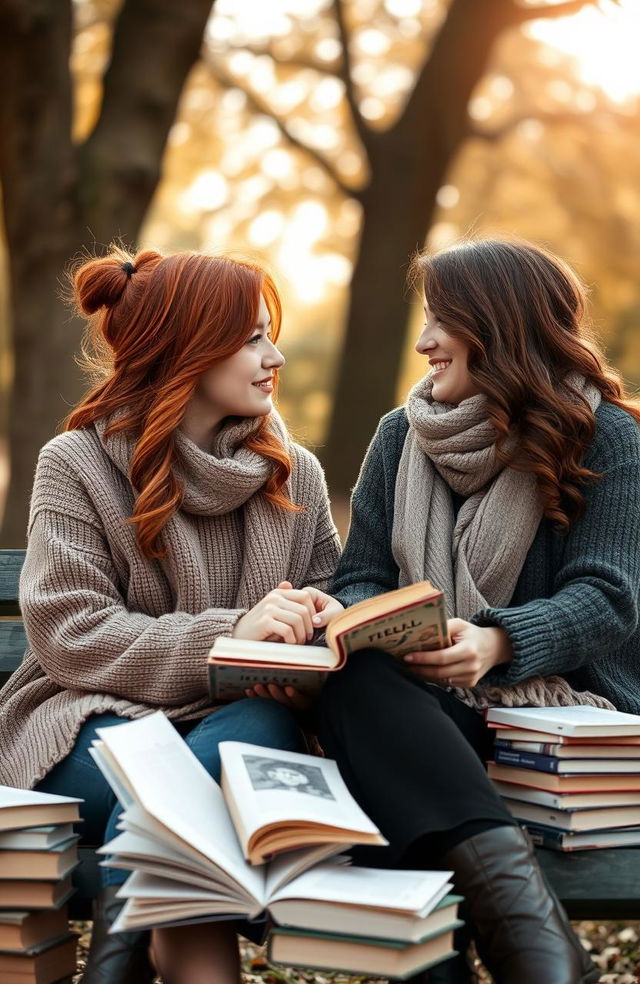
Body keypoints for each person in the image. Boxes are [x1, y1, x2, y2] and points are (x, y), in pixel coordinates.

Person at [0, 248, 343, 984]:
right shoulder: (77, 463)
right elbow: (70, 633)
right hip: (90, 727)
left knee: (239, 745)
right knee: (197, 789)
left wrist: (320, 627)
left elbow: (326, 606)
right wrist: (228, 636)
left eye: (268, 334)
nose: (274, 355)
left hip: (240, 722)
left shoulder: (298, 474)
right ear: (187, 347)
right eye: (252, 338)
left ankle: (116, 963)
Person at [318, 238, 640, 984]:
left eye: (442, 321)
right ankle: (543, 960)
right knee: (357, 683)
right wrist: (390, 627)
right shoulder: (401, 436)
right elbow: (360, 577)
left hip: (565, 716)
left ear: (498, 324)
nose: (424, 342)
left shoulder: (609, 436)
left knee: (397, 788)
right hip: (432, 707)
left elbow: (609, 596)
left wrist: (497, 642)